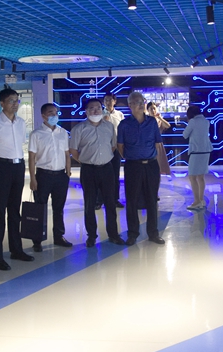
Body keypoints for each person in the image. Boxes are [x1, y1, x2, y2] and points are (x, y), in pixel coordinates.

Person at [0, 88, 33, 271]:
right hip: (1, 167)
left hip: (18, 166)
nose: (15, 104)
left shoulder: (20, 123)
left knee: (14, 211)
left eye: (16, 100)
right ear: (2, 103)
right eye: (11, 101)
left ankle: (16, 249)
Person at [70, 98, 127, 248]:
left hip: (107, 169)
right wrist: (86, 160)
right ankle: (91, 236)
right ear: (86, 111)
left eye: (98, 108)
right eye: (92, 108)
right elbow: (73, 151)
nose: (95, 111)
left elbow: (113, 146)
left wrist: (103, 158)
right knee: (89, 204)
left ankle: (113, 234)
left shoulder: (109, 127)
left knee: (110, 203)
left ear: (102, 110)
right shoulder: (79, 129)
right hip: (88, 170)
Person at [117, 91, 167, 245]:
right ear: (130, 105)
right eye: (137, 102)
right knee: (131, 200)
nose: (140, 105)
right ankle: (132, 233)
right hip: (133, 165)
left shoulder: (151, 122)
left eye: (142, 102)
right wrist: (132, 157)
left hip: (151, 165)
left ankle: (153, 233)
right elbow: (120, 146)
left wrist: (150, 157)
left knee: (152, 199)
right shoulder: (124, 124)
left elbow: (157, 143)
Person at [28, 102, 73, 252]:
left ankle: (59, 236)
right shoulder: (36, 134)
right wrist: (33, 178)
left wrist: (68, 172)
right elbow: (31, 157)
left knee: (59, 208)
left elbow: (67, 153)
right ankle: (37, 240)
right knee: (39, 208)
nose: (54, 115)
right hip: (43, 175)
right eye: (50, 113)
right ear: (43, 116)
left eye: (56, 112)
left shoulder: (63, 132)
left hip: (60, 175)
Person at [182, 105, 212, 211]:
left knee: (192, 177)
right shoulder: (206, 121)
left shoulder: (193, 122)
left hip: (196, 152)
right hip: (206, 151)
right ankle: (201, 200)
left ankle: (196, 201)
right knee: (201, 177)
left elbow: (185, 135)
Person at [101, 93, 125, 208]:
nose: (108, 102)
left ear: (114, 101)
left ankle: (115, 199)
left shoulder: (119, 114)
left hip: (116, 148)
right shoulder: (100, 114)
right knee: (102, 175)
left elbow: (123, 130)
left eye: (110, 100)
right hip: (103, 148)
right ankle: (100, 200)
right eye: (106, 100)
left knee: (115, 175)